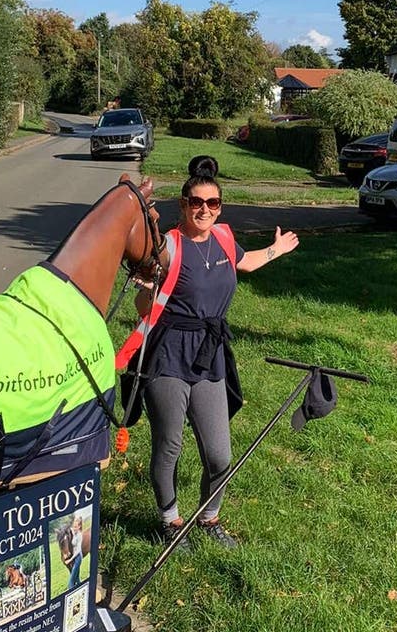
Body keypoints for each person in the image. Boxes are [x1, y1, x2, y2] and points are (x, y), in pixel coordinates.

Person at [116, 155, 299, 549]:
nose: (204, 210)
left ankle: (209, 518)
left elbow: (244, 263)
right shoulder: (168, 247)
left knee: (219, 454)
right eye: (196, 203)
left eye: (212, 204)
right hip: (168, 357)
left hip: (210, 355)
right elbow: (143, 305)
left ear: (219, 207)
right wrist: (147, 291)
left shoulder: (225, 239)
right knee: (169, 446)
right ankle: (169, 520)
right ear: (183, 205)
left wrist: (276, 250)